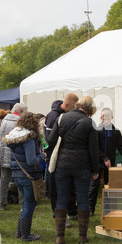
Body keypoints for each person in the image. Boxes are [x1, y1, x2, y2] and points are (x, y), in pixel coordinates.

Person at [48, 96, 98, 244]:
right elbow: (94, 150)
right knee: (82, 199)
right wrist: (95, 170)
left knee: (62, 198)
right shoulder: (90, 123)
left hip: (62, 165)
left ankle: (60, 237)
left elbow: (50, 140)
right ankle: (82, 236)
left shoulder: (62, 118)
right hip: (82, 166)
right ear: (90, 109)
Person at [3, 112, 46, 241]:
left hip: (17, 174)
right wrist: (42, 156)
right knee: (29, 204)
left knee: (26, 204)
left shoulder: (16, 136)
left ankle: (20, 232)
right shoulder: (29, 138)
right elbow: (31, 160)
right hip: (28, 175)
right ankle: (25, 235)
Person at [44, 93, 79, 225]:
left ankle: (71, 211)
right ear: (66, 105)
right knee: (57, 189)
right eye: (73, 108)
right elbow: (48, 139)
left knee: (67, 187)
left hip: (62, 157)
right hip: (55, 157)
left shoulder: (61, 115)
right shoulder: (54, 117)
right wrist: (48, 152)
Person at [89, 107, 122, 216]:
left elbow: (121, 146)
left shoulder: (115, 131)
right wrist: (104, 157)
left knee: (109, 186)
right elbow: (95, 147)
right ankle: (90, 209)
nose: (106, 119)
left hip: (110, 164)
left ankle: (108, 209)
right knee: (94, 186)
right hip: (98, 163)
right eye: (104, 117)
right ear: (101, 118)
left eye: (108, 117)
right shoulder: (96, 130)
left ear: (111, 117)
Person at [0, 103, 28, 211]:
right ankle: (23, 205)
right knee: (20, 179)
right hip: (16, 155)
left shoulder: (4, 120)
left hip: (4, 153)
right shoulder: (20, 122)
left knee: (4, 180)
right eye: (25, 111)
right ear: (21, 112)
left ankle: (1, 204)